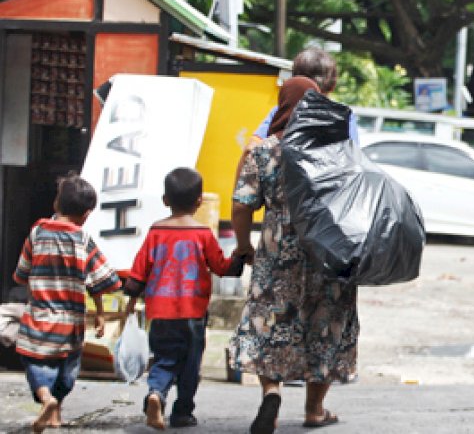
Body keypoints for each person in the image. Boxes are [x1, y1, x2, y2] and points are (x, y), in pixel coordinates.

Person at [230, 76, 359, 434]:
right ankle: (314, 409)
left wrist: (243, 246)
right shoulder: (335, 152)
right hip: (327, 251)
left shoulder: (263, 151)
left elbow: (241, 206)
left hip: (277, 252)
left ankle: (272, 392)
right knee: (326, 324)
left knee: (271, 321)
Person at [124, 168, 239, 429]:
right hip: (193, 313)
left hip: (160, 312)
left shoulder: (155, 232)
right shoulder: (203, 234)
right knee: (190, 364)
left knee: (164, 358)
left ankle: (156, 393)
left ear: (165, 200)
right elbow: (222, 267)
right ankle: (182, 412)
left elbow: (139, 272)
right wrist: (240, 257)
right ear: (199, 201)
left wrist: (130, 301)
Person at [12, 173, 120, 433]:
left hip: (38, 320)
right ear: (86, 214)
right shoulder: (83, 240)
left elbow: (22, 273)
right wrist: (100, 314)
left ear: (55, 204)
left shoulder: (37, 233)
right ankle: (55, 410)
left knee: (35, 363)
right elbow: (103, 280)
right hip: (70, 326)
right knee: (66, 370)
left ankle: (46, 399)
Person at [241, 47, 359, 155]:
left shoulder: (279, 111)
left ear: (294, 80)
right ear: (333, 85)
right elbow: (353, 157)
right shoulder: (343, 115)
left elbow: (251, 147)